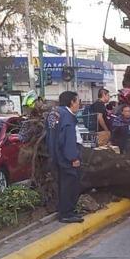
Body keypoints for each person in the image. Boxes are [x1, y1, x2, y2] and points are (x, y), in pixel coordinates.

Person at [46, 91, 83, 223]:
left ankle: (66, 211)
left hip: (56, 155)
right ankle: (67, 213)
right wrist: (73, 158)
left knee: (64, 184)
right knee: (70, 185)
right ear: (72, 102)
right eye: (78, 101)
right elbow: (68, 140)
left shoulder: (54, 113)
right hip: (67, 158)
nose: (79, 104)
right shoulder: (67, 117)